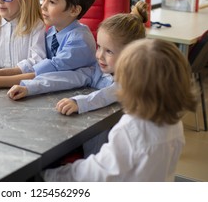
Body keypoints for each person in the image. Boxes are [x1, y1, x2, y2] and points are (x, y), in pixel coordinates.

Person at [42, 38, 197, 181]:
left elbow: (97, 174)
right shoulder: (173, 122)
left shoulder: (132, 128)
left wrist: (51, 176)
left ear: (133, 87)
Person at [7, 1, 148, 113]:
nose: (99, 55)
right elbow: (67, 77)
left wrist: (78, 103)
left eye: (109, 51)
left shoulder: (132, 82)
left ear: (131, 54)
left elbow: (106, 95)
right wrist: (29, 87)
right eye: (99, 47)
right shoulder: (97, 70)